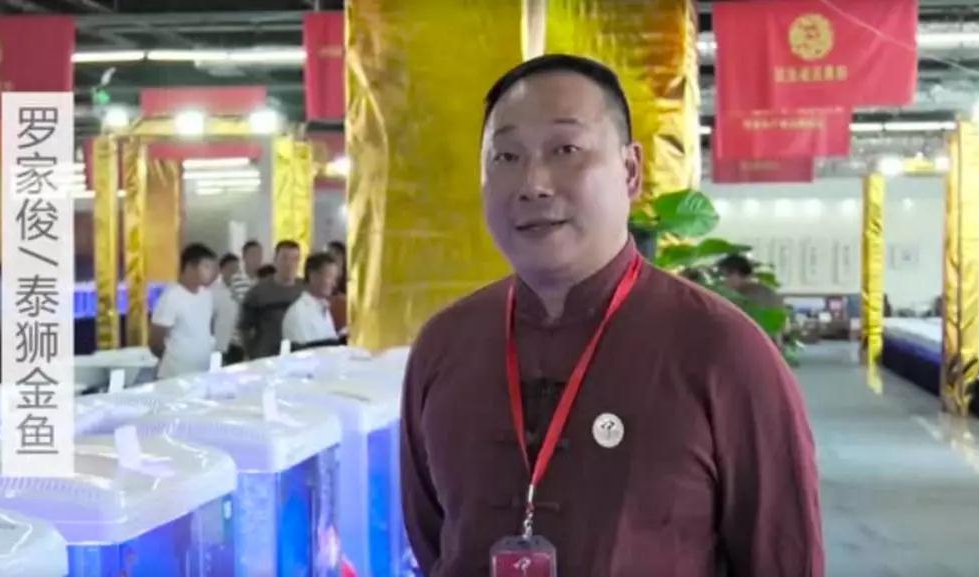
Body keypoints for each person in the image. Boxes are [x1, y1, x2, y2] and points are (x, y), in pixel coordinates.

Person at [400, 54, 823, 577]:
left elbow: (783, 558)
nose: (533, 183)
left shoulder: (721, 349)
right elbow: (434, 541)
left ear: (630, 171)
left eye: (566, 150)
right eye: (506, 156)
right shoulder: (445, 345)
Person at [149, 243, 218, 378]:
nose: (211, 273)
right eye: (206, 267)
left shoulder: (207, 295)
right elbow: (155, 341)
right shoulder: (172, 296)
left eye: (212, 268)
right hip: (176, 374)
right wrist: (176, 357)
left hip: (202, 371)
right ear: (190, 267)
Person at [239, 240, 305, 359]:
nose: (289, 264)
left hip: (298, 355)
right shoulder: (258, 292)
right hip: (267, 357)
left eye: (295, 259)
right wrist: (252, 354)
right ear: (275, 260)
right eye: (284, 258)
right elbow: (245, 329)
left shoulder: (305, 289)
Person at [282, 252, 341, 348]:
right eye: (329, 277)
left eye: (335, 278)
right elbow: (305, 351)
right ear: (313, 276)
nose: (334, 284)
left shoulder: (323, 307)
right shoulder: (298, 313)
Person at [716, 253, 784, 310]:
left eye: (727, 275)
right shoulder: (733, 294)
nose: (724, 280)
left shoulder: (763, 295)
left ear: (742, 274)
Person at [212, 253, 243, 365]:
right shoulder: (213, 292)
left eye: (237, 269)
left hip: (239, 344)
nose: (234, 273)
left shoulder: (242, 289)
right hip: (220, 345)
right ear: (222, 270)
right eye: (231, 269)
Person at [231, 240, 263, 304]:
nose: (257, 259)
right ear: (244, 257)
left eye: (259, 255)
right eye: (253, 255)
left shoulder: (265, 280)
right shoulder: (234, 280)